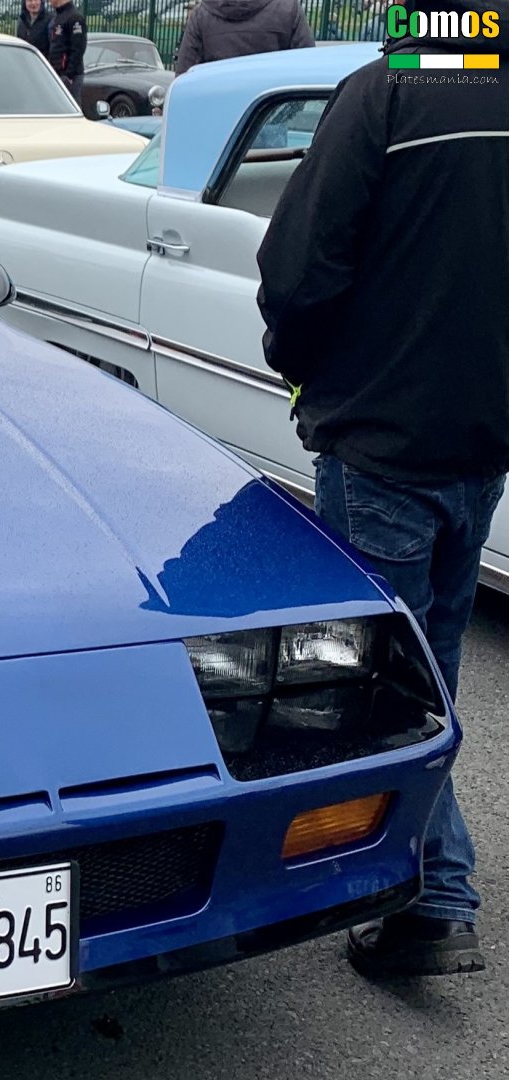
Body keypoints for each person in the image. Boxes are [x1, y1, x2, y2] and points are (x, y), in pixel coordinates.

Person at [256, 0, 507, 979]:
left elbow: (297, 268)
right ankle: (416, 880)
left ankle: (433, 898)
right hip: (479, 443)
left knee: (384, 678)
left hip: (382, 442)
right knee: (432, 665)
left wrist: (301, 369)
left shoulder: (385, 93)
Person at [173, 0, 313, 75]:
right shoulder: (288, 9)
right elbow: (307, 68)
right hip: (269, 114)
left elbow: (184, 74)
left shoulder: (201, 15)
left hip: (215, 114)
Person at [46, 0, 85, 99]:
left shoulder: (75, 18)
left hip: (70, 76)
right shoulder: (58, 17)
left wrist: (69, 75)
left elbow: (78, 48)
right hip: (57, 73)